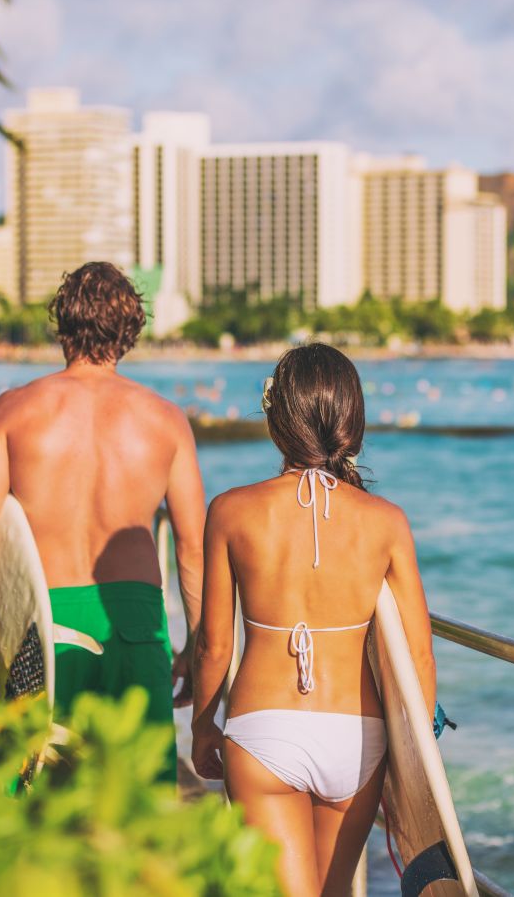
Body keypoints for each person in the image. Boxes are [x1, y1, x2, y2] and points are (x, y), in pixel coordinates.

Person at [191, 343, 437, 896]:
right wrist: (414, 769)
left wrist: (203, 727)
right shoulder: (387, 522)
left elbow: (214, 647)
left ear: (277, 420)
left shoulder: (230, 511)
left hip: (262, 735)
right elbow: (420, 656)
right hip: (357, 737)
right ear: (353, 421)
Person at [0, 261, 205, 782]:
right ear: (129, 332)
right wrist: (198, 648)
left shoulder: (13, 411)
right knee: (136, 810)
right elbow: (192, 549)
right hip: (134, 627)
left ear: (62, 325)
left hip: (44, 625)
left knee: (38, 796)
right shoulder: (166, 421)